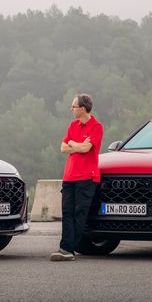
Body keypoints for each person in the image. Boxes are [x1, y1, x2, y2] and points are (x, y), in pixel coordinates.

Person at [50, 94, 103, 261]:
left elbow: (86, 149)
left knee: (79, 213)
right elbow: (62, 147)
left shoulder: (96, 126)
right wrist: (75, 145)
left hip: (87, 177)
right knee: (67, 212)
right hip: (70, 176)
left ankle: (67, 249)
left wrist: (73, 143)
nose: (71, 109)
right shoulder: (73, 125)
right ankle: (66, 248)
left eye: (73, 106)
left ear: (83, 108)